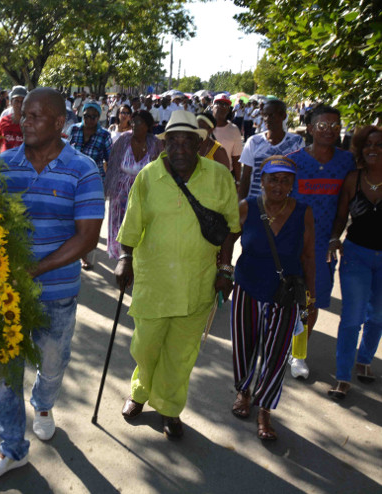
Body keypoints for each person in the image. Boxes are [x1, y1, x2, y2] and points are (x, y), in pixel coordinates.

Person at [0, 88, 104, 481]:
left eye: (34, 116)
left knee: (52, 365)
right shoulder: (3, 166)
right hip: (8, 293)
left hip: (58, 293)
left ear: (60, 123)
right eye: (22, 114)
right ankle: (12, 449)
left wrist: (35, 269)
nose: (23, 121)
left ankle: (44, 404)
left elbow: (86, 238)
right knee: (6, 376)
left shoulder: (83, 169)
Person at [115, 110, 240, 438]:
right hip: (152, 284)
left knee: (181, 354)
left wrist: (225, 269)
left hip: (196, 284)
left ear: (200, 143)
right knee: (146, 346)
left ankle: (169, 408)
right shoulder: (148, 177)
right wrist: (124, 259)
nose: (181, 147)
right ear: (165, 143)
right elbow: (131, 226)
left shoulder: (219, 176)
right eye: (174, 140)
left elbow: (229, 228)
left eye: (188, 141)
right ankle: (141, 391)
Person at [230, 155, 316, 441]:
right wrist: (222, 272)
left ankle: (265, 408)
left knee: (277, 354)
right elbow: (225, 242)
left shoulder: (303, 212)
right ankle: (243, 391)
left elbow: (307, 256)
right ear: (262, 180)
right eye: (273, 179)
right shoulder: (246, 208)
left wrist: (310, 298)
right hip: (247, 287)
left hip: (285, 294)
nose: (278, 185)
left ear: (293, 184)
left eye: (285, 180)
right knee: (244, 345)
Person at [284, 104, 357, 378]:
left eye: (335, 126)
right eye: (323, 126)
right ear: (310, 128)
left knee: (310, 303)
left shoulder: (346, 161)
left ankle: (298, 353)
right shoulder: (292, 161)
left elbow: (345, 205)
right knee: (284, 299)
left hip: (322, 247)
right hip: (291, 243)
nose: (329, 131)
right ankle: (277, 346)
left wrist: (335, 236)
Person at [327, 126, 382, 398]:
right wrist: (334, 238)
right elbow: (340, 217)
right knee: (352, 317)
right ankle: (343, 375)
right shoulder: (353, 179)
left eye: (379, 144)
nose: (373, 148)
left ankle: (365, 359)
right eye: (368, 144)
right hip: (356, 254)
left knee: (379, 316)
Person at [104, 109, 163, 259]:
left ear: (148, 126)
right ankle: (121, 258)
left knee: (139, 226)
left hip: (144, 192)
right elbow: (113, 165)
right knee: (119, 226)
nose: (135, 125)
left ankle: (137, 257)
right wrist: (110, 190)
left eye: (140, 122)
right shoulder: (123, 140)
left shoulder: (155, 144)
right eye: (133, 121)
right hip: (121, 193)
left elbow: (159, 169)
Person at [67, 101, 112, 270]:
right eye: (87, 115)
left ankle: (83, 255)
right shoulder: (73, 130)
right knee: (71, 217)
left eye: (94, 116)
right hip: (71, 179)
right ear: (82, 115)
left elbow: (110, 160)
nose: (90, 119)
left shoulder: (104, 135)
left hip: (93, 182)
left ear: (99, 117)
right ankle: (75, 252)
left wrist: (107, 184)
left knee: (88, 220)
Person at [239, 99, 304, 200]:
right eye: (264, 115)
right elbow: (246, 176)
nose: (267, 119)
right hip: (256, 202)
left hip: (286, 204)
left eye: (272, 115)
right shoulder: (253, 142)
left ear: (283, 116)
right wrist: (241, 203)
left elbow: (300, 174)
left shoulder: (296, 142)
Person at [212, 94, 243, 182]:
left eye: (225, 105)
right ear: (212, 106)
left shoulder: (234, 130)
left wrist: (237, 181)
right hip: (203, 175)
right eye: (218, 103)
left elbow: (236, 158)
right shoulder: (203, 126)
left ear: (229, 110)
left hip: (224, 176)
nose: (221, 107)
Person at [0, 85, 26, 156]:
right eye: (17, 101)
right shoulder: (4, 120)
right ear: (11, 102)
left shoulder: (32, 123)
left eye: (23, 101)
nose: (19, 105)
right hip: (5, 164)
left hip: (24, 165)